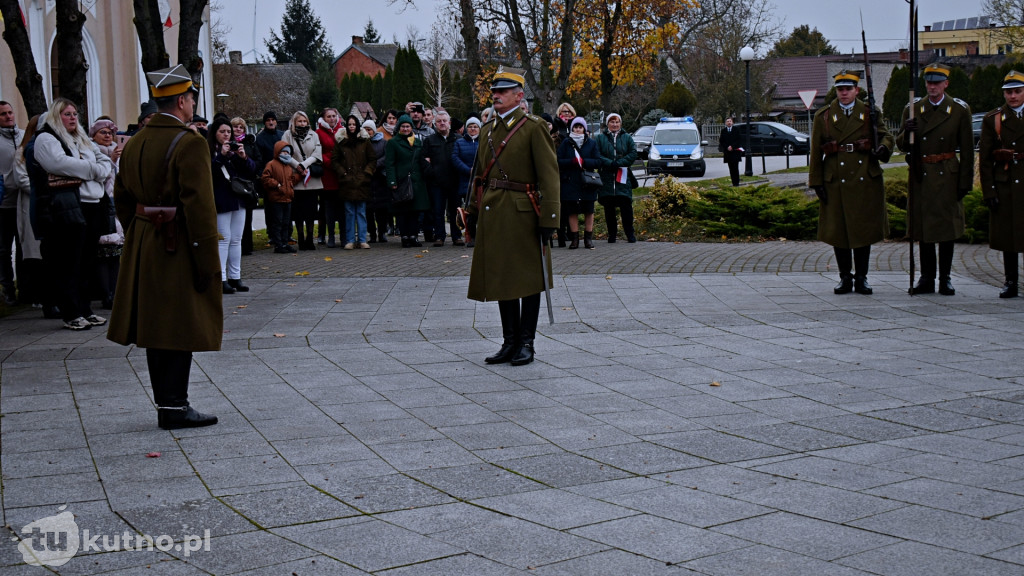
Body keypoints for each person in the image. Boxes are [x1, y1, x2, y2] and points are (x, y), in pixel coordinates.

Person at [107, 64, 222, 430]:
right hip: (178, 244)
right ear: (182, 101)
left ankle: (168, 405)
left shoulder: (135, 141)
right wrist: (208, 262)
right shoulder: (190, 143)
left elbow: (121, 198)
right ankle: (174, 406)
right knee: (179, 325)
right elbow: (200, 209)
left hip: (145, 241)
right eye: (191, 98)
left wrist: (139, 232)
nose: (192, 104)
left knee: (157, 326)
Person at [465, 66, 559, 366]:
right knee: (502, 277)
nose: (496, 95)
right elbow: (478, 175)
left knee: (529, 280)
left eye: (503, 91)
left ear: (519, 96)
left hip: (524, 213)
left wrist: (550, 219)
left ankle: (527, 343)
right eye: (494, 91)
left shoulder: (534, 127)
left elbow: (550, 176)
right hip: (493, 211)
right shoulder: (487, 130)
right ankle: (509, 342)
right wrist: (471, 210)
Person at [30, 97, 113, 330]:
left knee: (87, 261)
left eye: (75, 114)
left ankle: (86, 308)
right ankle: (71, 312)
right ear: (56, 116)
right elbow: (58, 164)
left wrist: (95, 170)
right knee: (70, 262)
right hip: (70, 206)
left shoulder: (82, 137)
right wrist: (94, 171)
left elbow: (104, 160)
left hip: (94, 203)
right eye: (67, 114)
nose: (73, 118)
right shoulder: (47, 138)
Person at [809, 70, 893, 295]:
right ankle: (845, 277)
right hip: (835, 178)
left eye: (848, 89)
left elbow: (886, 136)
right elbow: (816, 152)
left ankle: (862, 277)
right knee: (839, 230)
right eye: (840, 89)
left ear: (857, 90)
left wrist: (882, 147)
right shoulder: (824, 116)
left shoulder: (870, 112)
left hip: (864, 177)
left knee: (862, 230)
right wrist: (816, 182)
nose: (844, 93)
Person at [895, 64, 973, 296]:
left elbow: (967, 150)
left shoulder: (959, 110)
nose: (932, 86)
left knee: (946, 229)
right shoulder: (913, 109)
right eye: (929, 82)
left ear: (946, 84)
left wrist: (964, 182)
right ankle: (926, 278)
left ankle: (945, 278)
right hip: (921, 173)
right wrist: (906, 131)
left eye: (937, 82)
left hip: (947, 173)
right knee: (924, 229)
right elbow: (900, 144)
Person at [980, 70, 1024, 298]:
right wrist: (989, 190)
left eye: (1017, 91)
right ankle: (1010, 281)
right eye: (1009, 92)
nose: (1013, 96)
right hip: (1005, 182)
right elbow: (985, 159)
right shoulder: (993, 119)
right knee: (1009, 237)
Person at [208, 116, 256, 294]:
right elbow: (209, 173)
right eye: (222, 132)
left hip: (238, 199)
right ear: (215, 133)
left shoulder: (234, 151)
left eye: (228, 132)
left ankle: (235, 277)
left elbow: (251, 170)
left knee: (237, 239)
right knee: (224, 239)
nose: (226, 135)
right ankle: (221, 279)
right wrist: (221, 156)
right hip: (221, 199)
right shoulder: (210, 151)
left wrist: (243, 157)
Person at [11, 114, 46, 311]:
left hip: (47, 202)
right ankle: (34, 293)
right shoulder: (22, 152)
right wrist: (45, 188)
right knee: (33, 254)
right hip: (31, 201)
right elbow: (22, 180)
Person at [90, 118, 124, 309]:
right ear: (94, 135)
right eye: (103, 132)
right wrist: (111, 161)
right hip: (101, 202)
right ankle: (106, 294)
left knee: (116, 250)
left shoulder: (116, 151)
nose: (107, 136)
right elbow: (100, 177)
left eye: (110, 133)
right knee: (104, 249)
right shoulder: (93, 152)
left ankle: (116, 290)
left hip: (117, 203)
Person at [385, 114, 430, 247]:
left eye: (408, 126)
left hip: (417, 181)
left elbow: (421, 160)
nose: (405, 129)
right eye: (403, 126)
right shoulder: (393, 143)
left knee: (415, 211)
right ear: (399, 128)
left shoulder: (417, 142)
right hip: (402, 181)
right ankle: (404, 236)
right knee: (403, 211)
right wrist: (392, 182)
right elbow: (390, 164)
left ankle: (414, 235)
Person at [557, 117, 602, 249]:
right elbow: (559, 161)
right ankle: (574, 239)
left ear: (584, 129)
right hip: (571, 181)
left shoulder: (591, 143)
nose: (577, 129)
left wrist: (585, 162)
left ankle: (588, 239)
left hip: (587, 182)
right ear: (572, 129)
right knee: (572, 211)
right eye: (575, 127)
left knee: (589, 210)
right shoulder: (566, 143)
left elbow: (598, 161)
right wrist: (572, 162)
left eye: (580, 127)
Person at [282, 111, 323, 250]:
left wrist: (304, 165)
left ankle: (310, 238)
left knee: (311, 212)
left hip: (310, 177)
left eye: (304, 121)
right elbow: (284, 153)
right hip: (296, 178)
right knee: (298, 213)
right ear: (294, 122)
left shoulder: (314, 135)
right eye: (299, 121)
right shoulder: (287, 135)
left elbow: (317, 153)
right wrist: (297, 166)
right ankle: (300, 238)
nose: (302, 123)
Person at [334, 114, 376, 249]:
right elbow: (334, 160)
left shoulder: (365, 141)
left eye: (354, 124)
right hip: (347, 182)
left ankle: (363, 239)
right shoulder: (341, 142)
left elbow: (372, 159)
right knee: (349, 212)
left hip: (362, 181)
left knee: (361, 212)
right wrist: (343, 174)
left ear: (357, 126)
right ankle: (350, 240)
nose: (352, 127)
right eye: (350, 124)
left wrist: (366, 174)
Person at [595, 113, 638, 243]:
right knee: (609, 208)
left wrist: (619, 163)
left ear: (620, 123)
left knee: (626, 206)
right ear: (607, 124)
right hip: (607, 177)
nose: (614, 124)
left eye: (617, 122)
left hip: (622, 175)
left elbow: (633, 153)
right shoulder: (600, 138)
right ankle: (612, 234)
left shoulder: (627, 138)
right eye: (612, 122)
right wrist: (609, 163)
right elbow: (597, 153)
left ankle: (629, 233)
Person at [423, 110, 460, 246]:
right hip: (437, 182)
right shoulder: (429, 140)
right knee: (438, 211)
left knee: (455, 210)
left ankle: (457, 236)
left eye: (444, 121)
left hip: (454, 181)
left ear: (449, 123)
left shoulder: (458, 139)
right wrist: (433, 173)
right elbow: (425, 160)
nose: (442, 123)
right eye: (439, 121)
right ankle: (439, 236)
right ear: (435, 124)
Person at [0, 100, 24, 305]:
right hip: (3, 203)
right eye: (3, 114)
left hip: (24, 201)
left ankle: (26, 289)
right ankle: (8, 289)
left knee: (26, 248)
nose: (8, 116)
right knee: (4, 249)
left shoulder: (24, 135)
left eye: (10, 112)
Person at [261, 140, 300, 253]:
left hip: (288, 199)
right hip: (277, 199)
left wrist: (300, 176)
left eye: (287, 152)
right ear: (278, 152)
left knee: (286, 223)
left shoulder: (288, 167)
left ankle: (285, 242)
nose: (285, 154)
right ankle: (278, 244)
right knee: (277, 222)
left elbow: (291, 180)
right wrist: (277, 185)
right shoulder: (271, 164)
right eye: (283, 152)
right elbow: (265, 178)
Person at [230, 117, 262, 256]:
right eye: (235, 126)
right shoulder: (227, 144)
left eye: (241, 127)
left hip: (246, 183)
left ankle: (247, 246)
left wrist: (244, 158)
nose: (238, 129)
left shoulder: (250, 144)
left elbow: (257, 162)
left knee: (247, 217)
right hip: (231, 183)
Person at [255, 111, 285, 245]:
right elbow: (259, 159)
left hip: (283, 175)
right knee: (271, 209)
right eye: (268, 120)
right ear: (265, 122)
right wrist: (264, 176)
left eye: (273, 120)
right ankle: (272, 234)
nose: (271, 122)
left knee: (285, 206)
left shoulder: (282, 136)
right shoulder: (260, 138)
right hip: (268, 176)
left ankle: (286, 234)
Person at [316, 108, 344, 247]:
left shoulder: (342, 130)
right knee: (328, 209)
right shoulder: (318, 133)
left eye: (334, 116)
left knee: (342, 208)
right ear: (324, 118)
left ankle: (344, 236)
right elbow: (317, 152)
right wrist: (331, 162)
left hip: (341, 175)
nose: (332, 119)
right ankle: (330, 235)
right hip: (327, 174)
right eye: (329, 116)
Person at [452, 116, 480, 247]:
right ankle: (470, 236)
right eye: (470, 126)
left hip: (480, 181)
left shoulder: (484, 142)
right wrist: (468, 170)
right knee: (468, 211)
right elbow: (455, 158)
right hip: (465, 181)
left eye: (475, 126)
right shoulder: (459, 142)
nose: (473, 129)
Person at [363, 119, 390, 244]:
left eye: (369, 129)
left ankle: (382, 232)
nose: (368, 132)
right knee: (368, 209)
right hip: (367, 178)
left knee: (381, 209)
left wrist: (375, 165)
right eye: (365, 129)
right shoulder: (361, 143)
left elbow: (386, 157)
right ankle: (372, 233)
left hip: (380, 177)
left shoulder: (383, 142)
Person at [718, 117, 744, 187]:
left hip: (735, 152)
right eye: (727, 121)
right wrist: (727, 147)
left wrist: (732, 146)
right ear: (726, 123)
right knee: (731, 169)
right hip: (728, 153)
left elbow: (738, 140)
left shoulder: (736, 130)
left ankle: (736, 183)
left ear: (732, 122)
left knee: (735, 168)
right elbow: (721, 141)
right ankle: (733, 183)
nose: (729, 122)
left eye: (730, 121)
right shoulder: (723, 131)